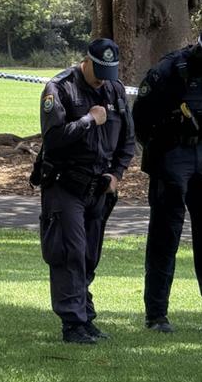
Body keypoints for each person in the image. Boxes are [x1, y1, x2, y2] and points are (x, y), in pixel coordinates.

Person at [133, 28, 202, 334]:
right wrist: (163, 148)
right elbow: (140, 118)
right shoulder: (168, 70)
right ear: (199, 52)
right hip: (171, 153)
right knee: (165, 235)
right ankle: (157, 316)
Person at [33, 38, 135, 344]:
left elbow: (128, 140)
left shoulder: (114, 89)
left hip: (99, 188)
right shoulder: (60, 88)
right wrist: (90, 120)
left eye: (109, 71)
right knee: (70, 252)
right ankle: (72, 324)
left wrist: (116, 174)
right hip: (65, 184)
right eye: (99, 70)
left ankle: (86, 317)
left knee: (89, 255)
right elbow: (53, 139)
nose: (103, 78)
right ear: (85, 60)